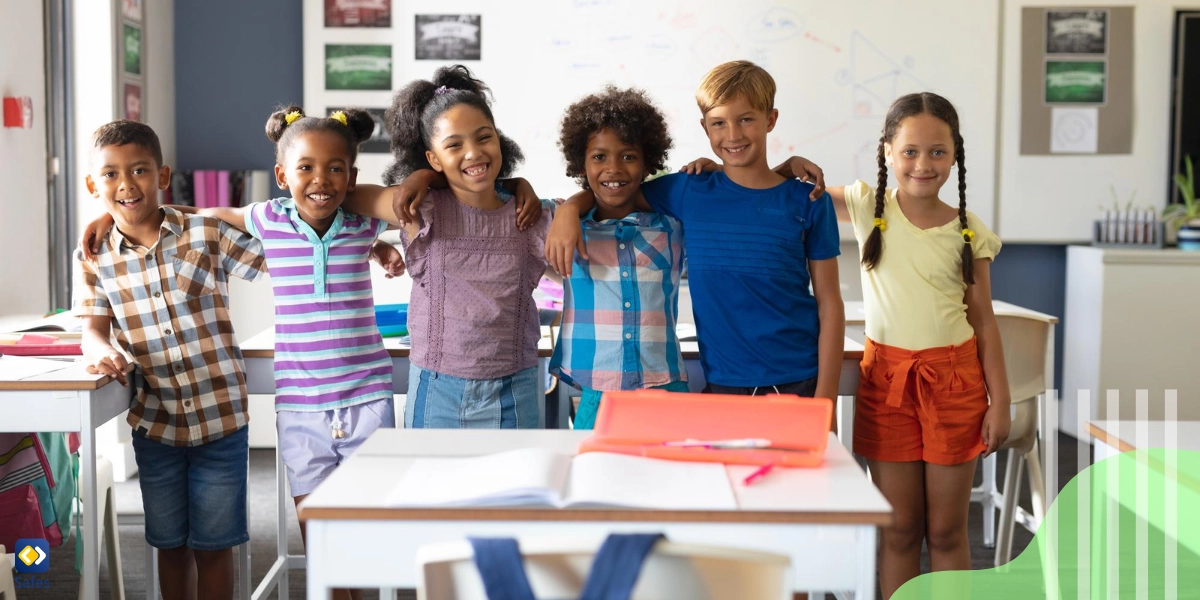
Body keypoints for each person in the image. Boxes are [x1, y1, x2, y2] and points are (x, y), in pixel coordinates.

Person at [771, 92, 1012, 598]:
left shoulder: (968, 231)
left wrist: (1001, 402)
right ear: (886, 152)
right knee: (898, 528)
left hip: (956, 382)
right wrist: (786, 163)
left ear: (955, 155)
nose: (923, 164)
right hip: (888, 384)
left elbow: (985, 322)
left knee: (946, 531)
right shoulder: (866, 205)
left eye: (938, 152)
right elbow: (785, 191)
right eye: (910, 151)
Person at [546, 60, 844, 413]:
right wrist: (568, 209)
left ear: (771, 119)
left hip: (800, 381)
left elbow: (829, 304)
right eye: (719, 123)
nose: (732, 134)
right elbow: (613, 194)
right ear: (705, 127)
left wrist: (825, 401)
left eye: (746, 119)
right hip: (722, 384)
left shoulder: (809, 200)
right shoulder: (689, 191)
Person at [75, 120, 265, 600]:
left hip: (220, 419)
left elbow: (276, 253)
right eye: (112, 175)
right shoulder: (95, 255)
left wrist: (371, 247)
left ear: (162, 175)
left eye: (139, 171)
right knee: (169, 544)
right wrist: (102, 352)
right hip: (154, 424)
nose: (126, 184)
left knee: (215, 547)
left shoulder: (204, 231)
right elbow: (93, 331)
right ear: (93, 185)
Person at [351, 64, 552, 428]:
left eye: (483, 137)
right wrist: (422, 177)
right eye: (454, 145)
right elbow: (350, 197)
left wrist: (523, 184)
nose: (473, 153)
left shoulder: (529, 214)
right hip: (437, 388)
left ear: (499, 139)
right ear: (433, 157)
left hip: (515, 388)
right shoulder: (420, 208)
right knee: (432, 484)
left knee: (514, 485)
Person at [548, 85, 688, 428]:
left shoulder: (673, 226)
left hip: (666, 388)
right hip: (598, 393)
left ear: (647, 162)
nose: (614, 168)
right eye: (599, 157)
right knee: (592, 476)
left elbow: (724, 184)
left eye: (628, 156)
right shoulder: (565, 226)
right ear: (580, 162)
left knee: (673, 477)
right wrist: (569, 209)